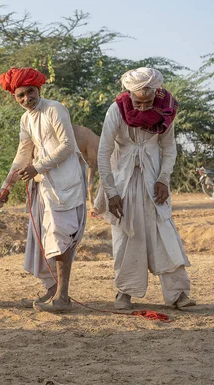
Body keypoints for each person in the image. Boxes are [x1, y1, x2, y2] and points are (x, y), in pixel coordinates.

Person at [96, 67, 195, 310]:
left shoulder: (166, 110)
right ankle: (124, 293)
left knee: (165, 233)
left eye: (148, 102)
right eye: (138, 102)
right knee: (126, 235)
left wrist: (163, 179)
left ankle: (178, 294)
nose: (142, 108)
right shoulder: (116, 110)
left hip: (154, 182)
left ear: (157, 93)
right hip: (122, 182)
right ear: (128, 93)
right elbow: (103, 152)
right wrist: (111, 193)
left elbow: (169, 149)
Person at [0, 67, 87, 313]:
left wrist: (37, 167)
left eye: (30, 92)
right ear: (14, 98)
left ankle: (63, 296)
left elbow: (68, 145)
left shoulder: (55, 109)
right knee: (45, 237)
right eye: (20, 96)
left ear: (39, 89)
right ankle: (52, 290)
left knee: (61, 236)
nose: (27, 99)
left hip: (65, 182)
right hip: (44, 186)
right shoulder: (26, 118)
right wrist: (6, 187)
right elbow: (22, 153)